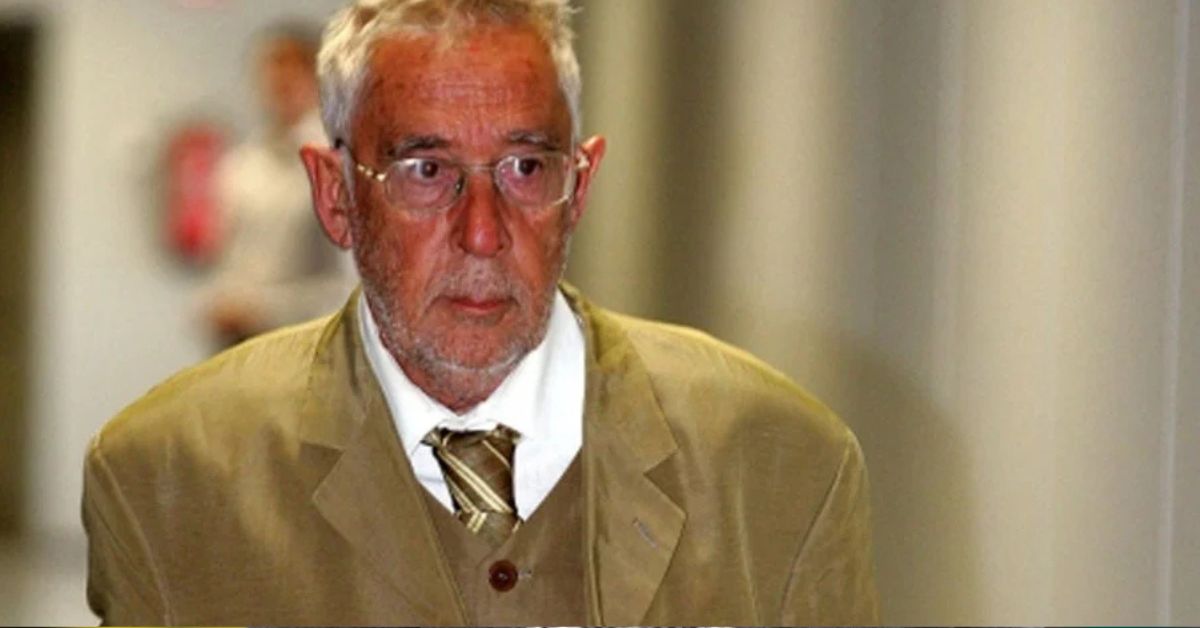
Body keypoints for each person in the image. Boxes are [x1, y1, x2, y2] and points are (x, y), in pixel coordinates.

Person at [83, 1, 879, 625]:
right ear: (336, 195)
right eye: (426, 171)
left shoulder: (779, 468)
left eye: (526, 167)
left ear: (581, 187)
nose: (483, 231)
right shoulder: (166, 483)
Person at [200, 22, 355, 347]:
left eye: (290, 71)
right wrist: (222, 302)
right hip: (240, 346)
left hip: (309, 346)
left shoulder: (340, 165)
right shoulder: (242, 164)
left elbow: (350, 285)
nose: (277, 83)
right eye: (269, 71)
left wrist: (264, 309)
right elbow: (230, 262)